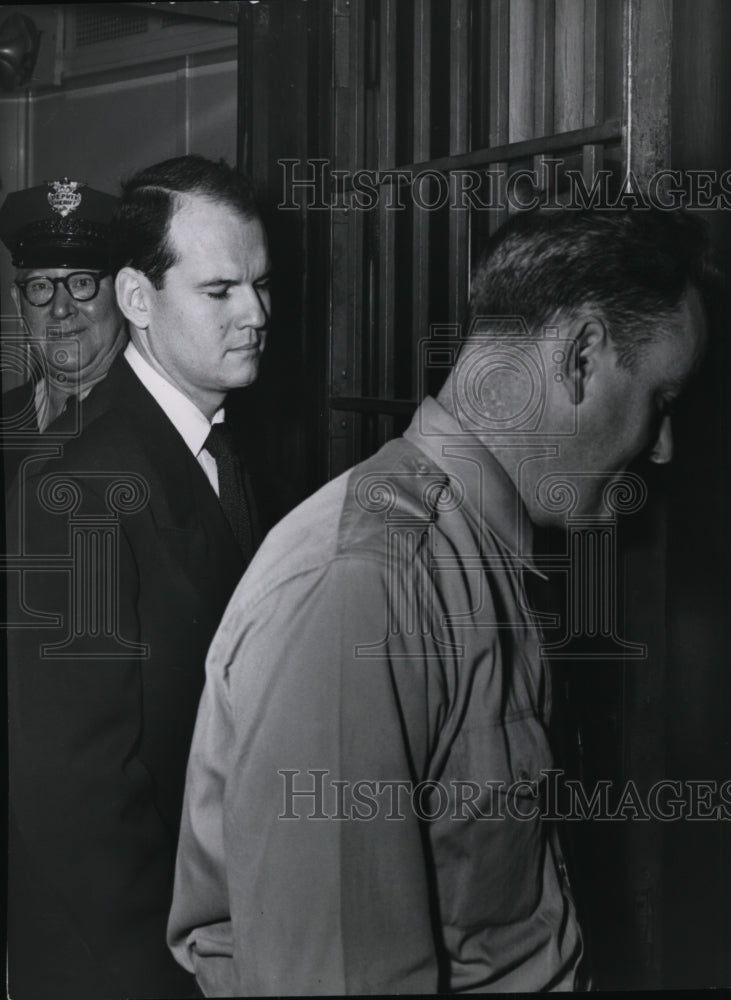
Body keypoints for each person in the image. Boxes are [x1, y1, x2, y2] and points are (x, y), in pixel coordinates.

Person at [168, 208, 714, 995]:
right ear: (582, 356)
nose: (663, 447)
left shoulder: (470, 555)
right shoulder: (367, 585)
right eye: (660, 401)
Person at [6, 155, 271, 999]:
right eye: (220, 291)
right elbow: (75, 794)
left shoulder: (217, 445)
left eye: (260, 285)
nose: (257, 315)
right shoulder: (82, 482)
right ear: (137, 300)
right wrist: (167, 973)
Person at [0, 179, 127, 483]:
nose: (60, 309)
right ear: (19, 304)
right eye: (40, 286)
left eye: (82, 282)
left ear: (125, 294)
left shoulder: (158, 420)